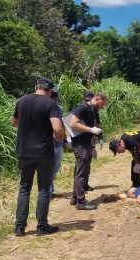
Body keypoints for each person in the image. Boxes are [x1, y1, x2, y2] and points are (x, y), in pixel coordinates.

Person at [11, 78, 64, 236]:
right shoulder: (50, 104)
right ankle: (42, 226)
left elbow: (14, 123)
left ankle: (20, 227)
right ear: (50, 91)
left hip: (23, 151)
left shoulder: (21, 101)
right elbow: (58, 130)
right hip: (43, 153)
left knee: (24, 188)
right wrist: (60, 136)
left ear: (36, 87)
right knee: (43, 189)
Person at [69, 92, 107, 210]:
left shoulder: (93, 110)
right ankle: (81, 201)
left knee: (80, 170)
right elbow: (73, 123)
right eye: (102, 104)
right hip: (80, 144)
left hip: (86, 143)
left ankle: (75, 197)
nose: (102, 107)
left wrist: (99, 136)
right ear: (96, 99)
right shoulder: (82, 108)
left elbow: (97, 124)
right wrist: (91, 130)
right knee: (82, 172)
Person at [48, 88, 67, 198]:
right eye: (53, 96)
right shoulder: (44, 107)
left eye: (56, 96)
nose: (54, 98)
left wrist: (64, 140)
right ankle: (48, 191)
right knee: (50, 167)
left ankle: (49, 189)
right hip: (48, 142)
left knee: (55, 167)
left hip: (57, 142)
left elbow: (62, 124)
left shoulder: (58, 108)